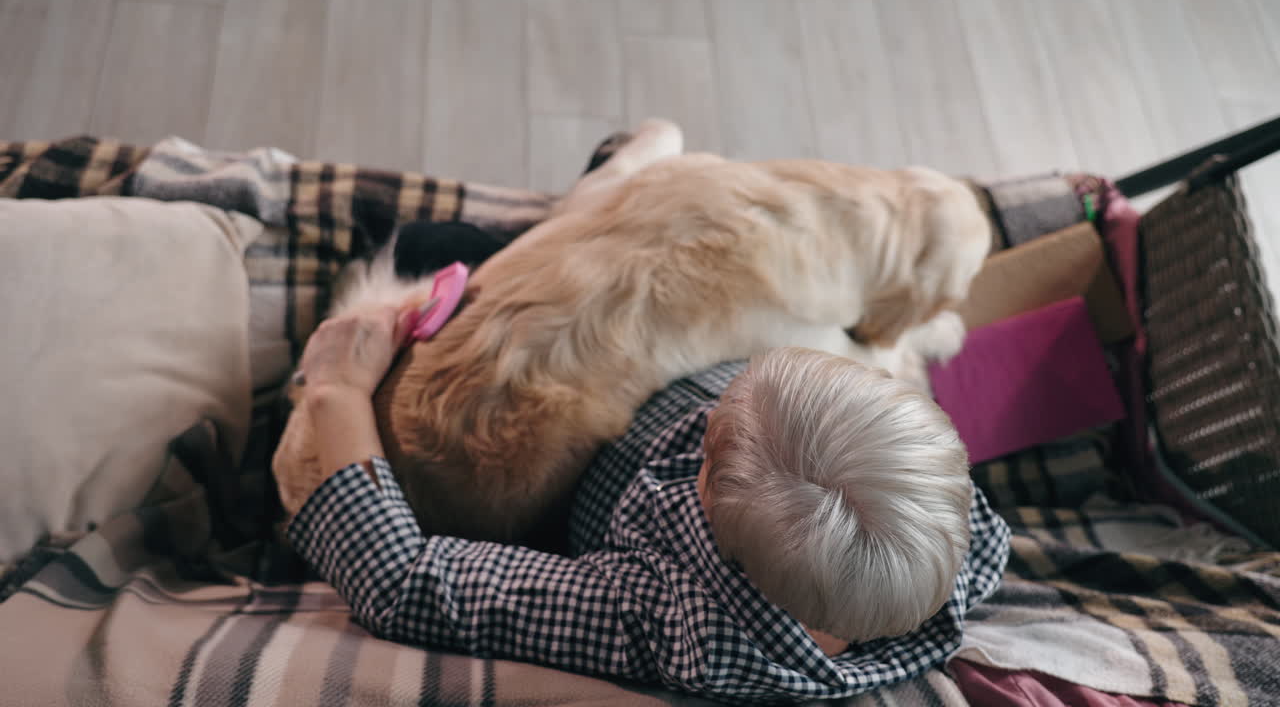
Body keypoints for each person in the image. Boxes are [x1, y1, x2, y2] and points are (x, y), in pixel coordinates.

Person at [281, 300, 1010, 703]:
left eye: (711, 452)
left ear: (727, 548)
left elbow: (406, 583)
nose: (711, 421)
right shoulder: (959, 527)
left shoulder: (673, 617)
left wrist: (337, 393)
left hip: (582, 445)